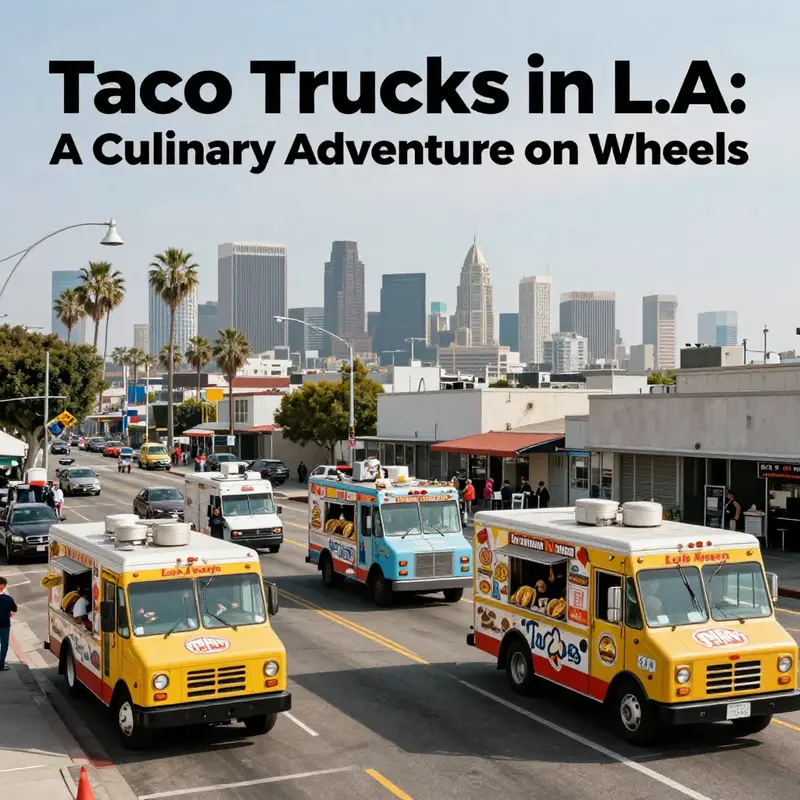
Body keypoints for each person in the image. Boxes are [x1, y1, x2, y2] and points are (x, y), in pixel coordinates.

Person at [0, 576, 18, 671]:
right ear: (2, 586)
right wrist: (8, 615)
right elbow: (14, 609)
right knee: (4, 644)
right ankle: (1, 664)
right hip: (4, 625)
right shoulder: (7, 599)